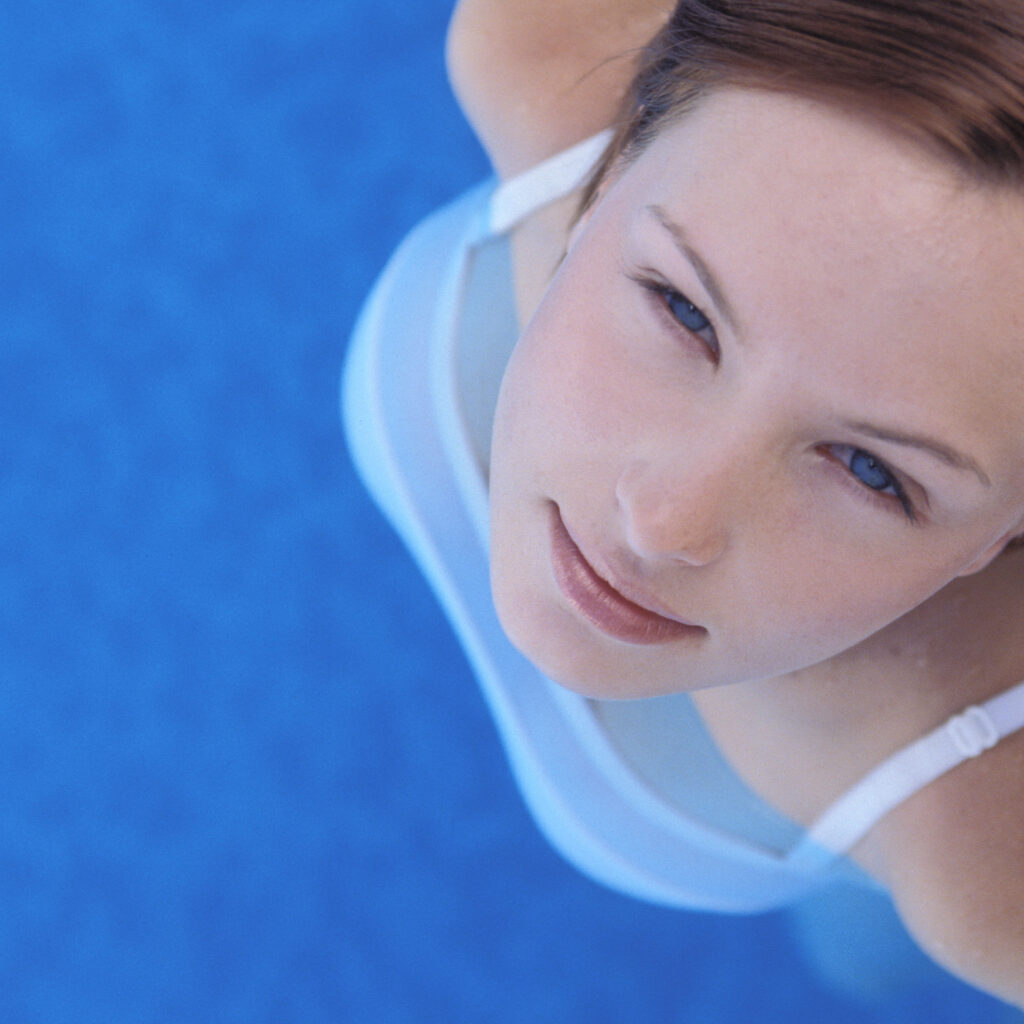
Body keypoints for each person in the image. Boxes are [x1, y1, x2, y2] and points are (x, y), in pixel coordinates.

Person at [345, 0, 1024, 1006]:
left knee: (861, 960)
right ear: (622, 150)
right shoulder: (549, 40)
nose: (659, 524)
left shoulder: (985, 860)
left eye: (872, 471)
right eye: (681, 310)